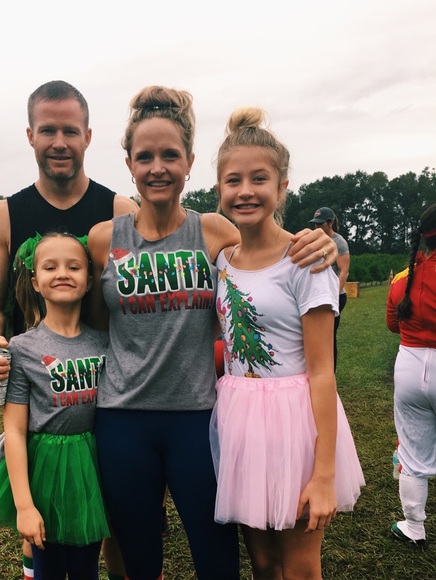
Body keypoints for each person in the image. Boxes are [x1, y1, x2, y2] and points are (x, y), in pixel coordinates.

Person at [86, 86, 339, 580]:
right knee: (138, 556)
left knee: (217, 557)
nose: (157, 168)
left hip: (198, 417)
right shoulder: (103, 239)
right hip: (122, 417)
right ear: (129, 165)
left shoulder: (215, 232)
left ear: (189, 162)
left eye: (170, 155)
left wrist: (319, 244)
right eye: (145, 157)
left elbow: (269, 253)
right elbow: (94, 328)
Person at [0, 80, 137, 580]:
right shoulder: (3, 215)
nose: (59, 142)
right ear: (30, 135)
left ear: (88, 136)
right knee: (43, 512)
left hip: (112, 387)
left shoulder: (120, 210)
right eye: (48, 130)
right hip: (40, 382)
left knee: (115, 523)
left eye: (70, 130)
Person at [209, 106, 365, 579]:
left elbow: (322, 371)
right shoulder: (223, 261)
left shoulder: (305, 261)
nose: (246, 190)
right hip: (240, 420)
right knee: (262, 562)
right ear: (219, 190)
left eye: (260, 179)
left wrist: (324, 474)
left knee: (298, 566)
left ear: (282, 188)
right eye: (233, 180)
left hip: (295, 424)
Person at [0, 232, 111, 580]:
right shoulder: (21, 349)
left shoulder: (106, 343)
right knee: (47, 566)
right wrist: (24, 505)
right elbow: (14, 430)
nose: (62, 273)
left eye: (74, 267)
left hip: (91, 466)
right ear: (35, 282)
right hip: (45, 469)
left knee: (85, 566)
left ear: (89, 280)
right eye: (50, 267)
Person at [386, 203, 436, 549]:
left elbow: (393, 324)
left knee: (413, 454)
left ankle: (414, 527)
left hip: (410, 365)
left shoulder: (404, 277)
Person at [309, 207, 350, 370]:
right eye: (315, 224)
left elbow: (344, 271)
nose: (317, 227)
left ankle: (329, 373)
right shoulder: (315, 240)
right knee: (316, 335)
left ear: (330, 223)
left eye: (320, 224)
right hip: (318, 294)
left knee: (328, 336)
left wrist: (334, 296)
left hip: (335, 296)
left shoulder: (339, 242)